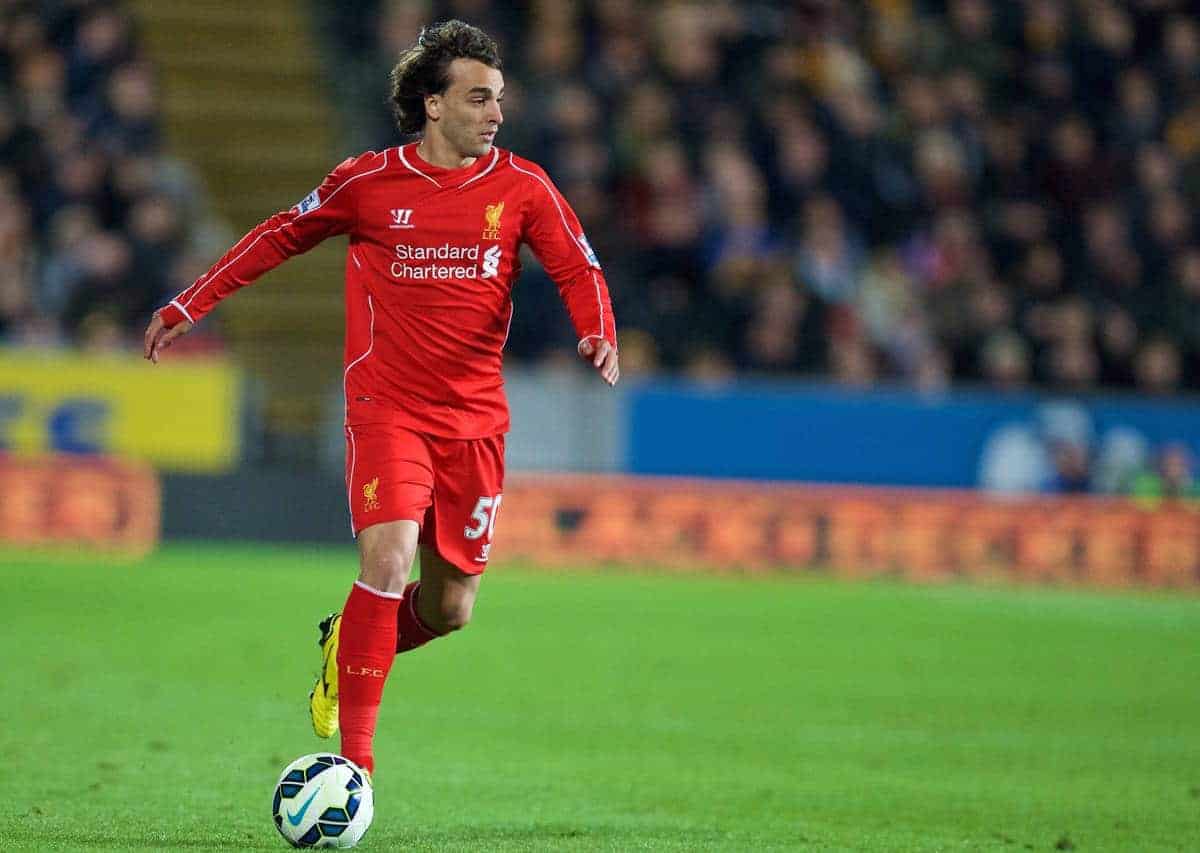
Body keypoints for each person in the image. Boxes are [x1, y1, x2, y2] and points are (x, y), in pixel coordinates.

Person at [142, 20, 619, 778]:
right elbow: (277, 235)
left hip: (474, 424)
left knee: (450, 608)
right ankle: (353, 768)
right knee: (388, 560)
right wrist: (189, 304)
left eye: (499, 99)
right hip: (387, 409)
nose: (496, 114)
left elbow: (577, 265)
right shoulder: (367, 183)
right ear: (433, 105)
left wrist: (597, 329)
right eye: (479, 98)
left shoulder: (524, 186)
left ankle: (353, 640)